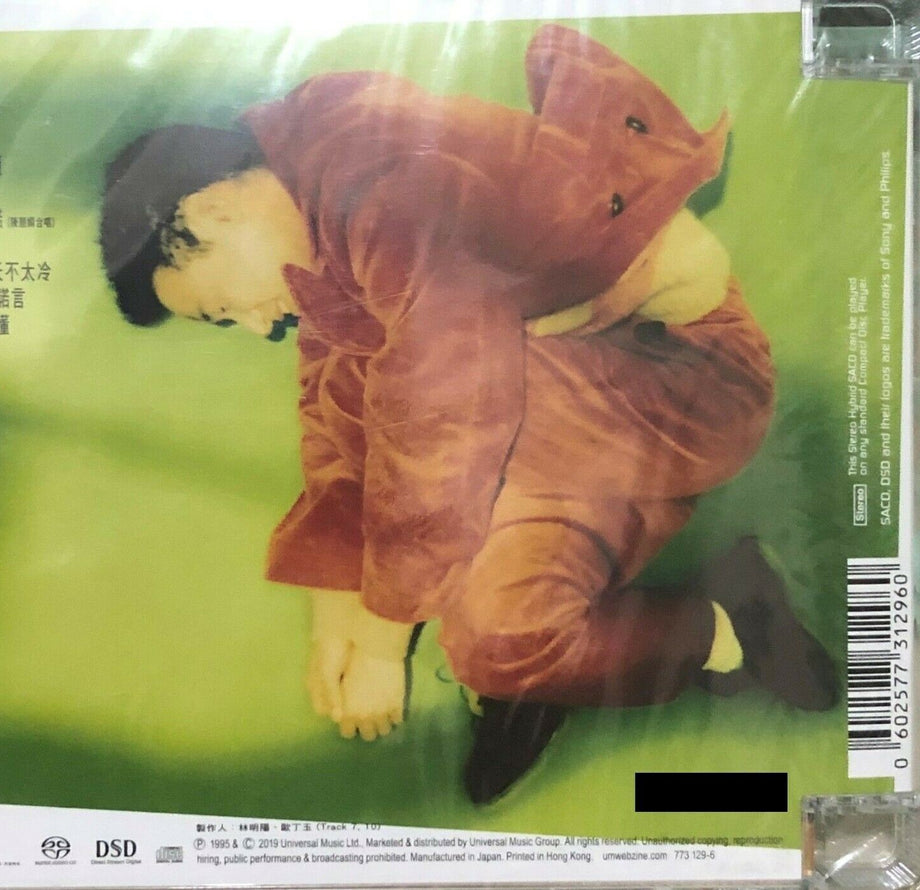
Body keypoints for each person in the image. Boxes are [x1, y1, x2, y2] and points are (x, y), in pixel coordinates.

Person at [100, 25, 837, 804]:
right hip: (568, 419)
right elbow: (336, 424)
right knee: (498, 645)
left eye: (221, 307)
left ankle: (674, 637)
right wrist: (333, 620)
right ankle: (729, 624)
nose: (257, 327)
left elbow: (440, 415)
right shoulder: (315, 233)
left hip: (685, 384)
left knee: (426, 422)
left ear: (213, 210)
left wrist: (380, 642)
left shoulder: (378, 177)